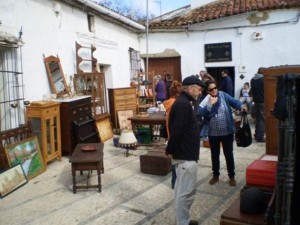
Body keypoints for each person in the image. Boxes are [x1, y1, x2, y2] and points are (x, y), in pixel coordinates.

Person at [166, 75, 204, 225]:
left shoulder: (184, 102)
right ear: (191, 88)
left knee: (181, 191)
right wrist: (170, 150)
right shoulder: (183, 104)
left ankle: (183, 221)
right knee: (185, 194)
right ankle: (183, 223)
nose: (200, 92)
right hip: (185, 158)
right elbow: (177, 132)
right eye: (199, 89)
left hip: (185, 156)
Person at [199, 80, 247, 187]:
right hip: (213, 133)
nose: (214, 90)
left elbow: (234, 101)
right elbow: (201, 113)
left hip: (227, 131)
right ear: (207, 91)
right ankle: (216, 175)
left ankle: (232, 176)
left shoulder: (223, 95)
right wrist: (210, 105)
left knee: (228, 154)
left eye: (215, 88)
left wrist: (241, 106)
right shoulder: (205, 100)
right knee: (214, 155)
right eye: (211, 89)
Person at [163, 80, 182, 189]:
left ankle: (174, 183)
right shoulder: (178, 104)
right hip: (177, 134)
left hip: (171, 133)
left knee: (175, 159)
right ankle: (178, 183)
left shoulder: (168, 103)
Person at [250, 68, 265, 142]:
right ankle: (260, 137)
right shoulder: (263, 79)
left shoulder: (253, 79)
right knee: (262, 120)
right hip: (262, 101)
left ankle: (256, 134)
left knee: (258, 119)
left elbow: (251, 91)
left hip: (256, 102)